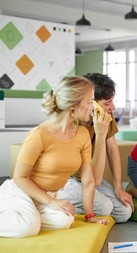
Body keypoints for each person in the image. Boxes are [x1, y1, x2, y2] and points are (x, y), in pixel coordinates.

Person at [0, 76, 109, 238]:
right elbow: (19, 177)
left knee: (65, 220)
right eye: (90, 101)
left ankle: (30, 217)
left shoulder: (83, 134)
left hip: (47, 196)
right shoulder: (40, 134)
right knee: (27, 228)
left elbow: (88, 180)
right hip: (21, 192)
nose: (93, 107)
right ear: (74, 105)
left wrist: (90, 215)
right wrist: (50, 202)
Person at [57, 73, 133, 223]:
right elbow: (96, 180)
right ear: (91, 102)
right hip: (68, 180)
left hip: (90, 177)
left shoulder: (105, 117)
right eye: (107, 103)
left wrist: (118, 187)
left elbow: (112, 150)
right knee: (104, 207)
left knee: (125, 212)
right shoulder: (73, 123)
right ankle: (60, 197)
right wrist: (100, 133)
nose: (113, 107)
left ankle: (88, 201)